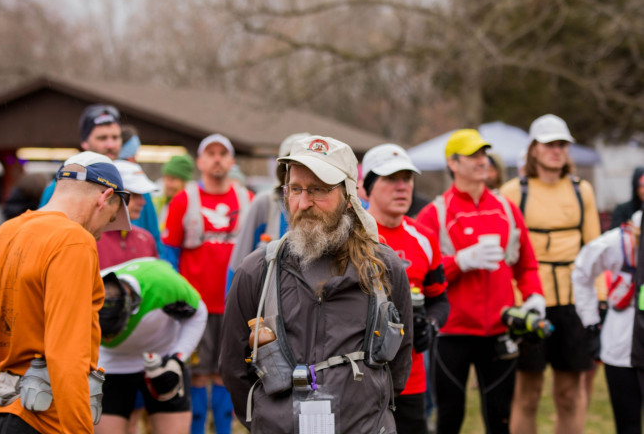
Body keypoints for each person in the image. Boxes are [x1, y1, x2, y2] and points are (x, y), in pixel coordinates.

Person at [219, 135, 413, 433]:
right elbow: (235, 367)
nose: (303, 202)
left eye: (319, 190)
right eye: (295, 189)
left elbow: (398, 362)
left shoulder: (383, 268)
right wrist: (270, 421)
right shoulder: (257, 272)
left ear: (348, 196)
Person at [0, 151, 131, 433]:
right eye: (111, 219)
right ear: (104, 197)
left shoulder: (2, 234)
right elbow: (67, 353)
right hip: (45, 419)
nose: (101, 234)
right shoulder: (73, 241)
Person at [416, 129, 544, 434]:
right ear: (453, 163)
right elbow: (418, 278)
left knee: (500, 418)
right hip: (451, 335)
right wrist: (460, 262)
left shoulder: (506, 209)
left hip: (500, 331)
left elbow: (526, 265)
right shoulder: (435, 213)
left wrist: (534, 296)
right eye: (473, 155)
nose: (482, 161)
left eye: (483, 154)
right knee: (449, 418)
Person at [500, 114, 602, 434]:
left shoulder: (581, 189)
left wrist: (598, 301)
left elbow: (594, 250)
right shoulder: (513, 191)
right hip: (528, 302)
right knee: (528, 393)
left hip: (573, 300)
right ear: (534, 150)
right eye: (549, 144)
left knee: (570, 393)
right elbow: (505, 254)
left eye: (561, 145)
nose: (556, 150)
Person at [161, 133, 253, 434]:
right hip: (196, 307)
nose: (216, 158)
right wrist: (179, 298)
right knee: (198, 376)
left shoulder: (247, 199)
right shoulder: (184, 199)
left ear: (231, 161)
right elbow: (169, 253)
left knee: (227, 374)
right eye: (210, 153)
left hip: (234, 305)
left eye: (222, 153)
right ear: (200, 161)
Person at [362, 143, 449, 433]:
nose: (402, 187)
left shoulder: (424, 238)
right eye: (391, 179)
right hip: (358, 376)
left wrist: (431, 326)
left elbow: (440, 300)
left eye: (407, 178)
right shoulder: (352, 236)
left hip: (411, 377)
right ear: (368, 186)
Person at [95, 257, 208, 434]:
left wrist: (178, 358)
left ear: (132, 305)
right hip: (109, 364)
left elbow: (198, 313)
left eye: (114, 332)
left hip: (161, 356)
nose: (108, 339)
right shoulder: (83, 290)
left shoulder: (164, 284)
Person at [39, 105, 164, 259]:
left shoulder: (137, 186)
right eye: (102, 138)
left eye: (115, 137)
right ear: (85, 143)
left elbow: (155, 242)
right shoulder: (62, 185)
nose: (110, 145)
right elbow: (45, 239)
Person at [573, 211, 641, 434]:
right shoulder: (618, 241)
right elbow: (582, 271)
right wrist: (591, 321)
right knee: (627, 423)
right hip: (621, 343)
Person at [226, 132, 310, 293]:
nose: (300, 172)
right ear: (282, 171)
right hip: (265, 306)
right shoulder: (265, 204)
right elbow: (238, 264)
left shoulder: (322, 207)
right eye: (292, 166)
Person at [98, 160, 159, 269]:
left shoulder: (146, 239)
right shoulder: (92, 239)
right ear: (111, 194)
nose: (143, 202)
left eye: (142, 195)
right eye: (134, 195)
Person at [153, 154, 196, 233]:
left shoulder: (193, 205)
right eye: (165, 178)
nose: (167, 184)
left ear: (185, 182)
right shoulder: (158, 198)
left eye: (172, 179)